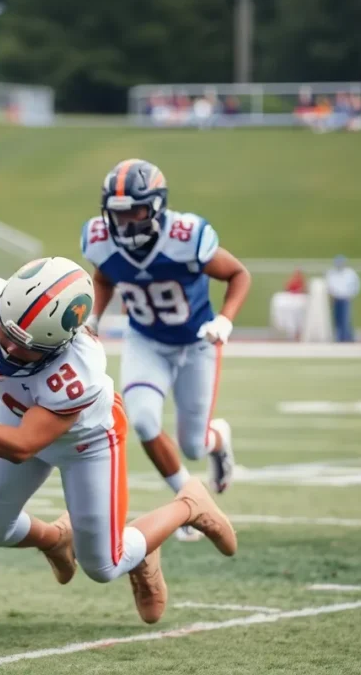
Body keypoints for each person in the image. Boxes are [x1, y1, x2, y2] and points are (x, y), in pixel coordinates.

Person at [0, 257, 237, 624]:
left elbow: (22, 446)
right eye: (6, 332)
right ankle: (56, 539)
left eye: (25, 345)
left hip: (87, 443)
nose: (9, 349)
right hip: (14, 415)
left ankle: (189, 504)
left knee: (104, 566)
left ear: (60, 343)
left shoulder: (78, 369)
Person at [80, 159, 250, 541]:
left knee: (194, 445)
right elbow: (104, 277)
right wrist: (95, 317)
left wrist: (225, 319)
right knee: (142, 421)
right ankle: (190, 500)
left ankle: (218, 439)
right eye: (117, 213)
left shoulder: (186, 236)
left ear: (156, 206)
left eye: (134, 211)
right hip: (146, 342)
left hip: (197, 344)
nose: (124, 222)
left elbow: (238, 274)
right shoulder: (99, 238)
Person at [325, 255, 360, 342]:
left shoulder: (350, 273)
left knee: (346, 319)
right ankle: (339, 338)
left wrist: (351, 294)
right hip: (335, 298)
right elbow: (328, 285)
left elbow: (356, 285)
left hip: (345, 298)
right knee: (336, 319)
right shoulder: (331, 272)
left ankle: (347, 338)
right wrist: (330, 295)